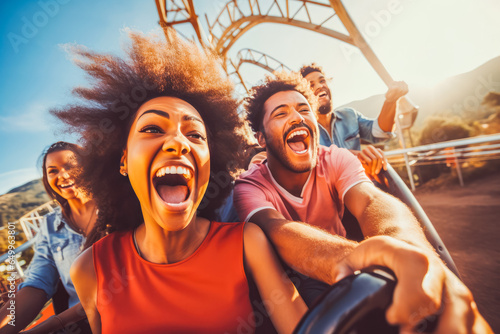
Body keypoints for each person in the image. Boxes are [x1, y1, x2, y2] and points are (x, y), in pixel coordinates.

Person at [54, 30, 307, 333]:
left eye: (195, 134)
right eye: (152, 129)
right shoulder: (90, 269)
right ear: (122, 160)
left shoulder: (246, 243)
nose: (178, 143)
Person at [233, 71, 492, 333]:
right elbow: (276, 229)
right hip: (295, 281)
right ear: (261, 138)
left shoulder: (335, 158)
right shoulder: (249, 186)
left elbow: (371, 201)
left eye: (304, 109)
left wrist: (413, 252)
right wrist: (350, 257)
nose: (297, 117)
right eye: (281, 113)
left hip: (349, 258)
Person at [0, 142, 96, 334]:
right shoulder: (49, 226)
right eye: (53, 171)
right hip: (81, 325)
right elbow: (38, 284)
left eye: (70, 165)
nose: (63, 175)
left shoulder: (119, 209)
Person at [300, 63, 408, 179]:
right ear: (304, 97)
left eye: (322, 81)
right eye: (311, 85)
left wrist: (390, 101)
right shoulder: (304, 131)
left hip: (362, 185)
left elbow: (381, 131)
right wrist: (356, 156)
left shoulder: (350, 115)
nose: (319, 86)